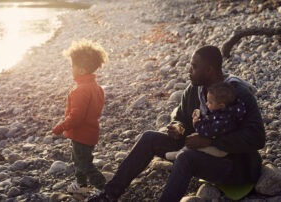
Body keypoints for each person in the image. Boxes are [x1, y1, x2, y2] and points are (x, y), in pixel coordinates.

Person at [87, 45, 265, 202]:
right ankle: (109, 194)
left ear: (209, 70)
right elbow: (180, 117)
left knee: (185, 158)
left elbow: (257, 137)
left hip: (234, 166)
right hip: (200, 152)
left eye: (194, 67)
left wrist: (210, 141)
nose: (189, 71)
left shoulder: (236, 93)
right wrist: (177, 127)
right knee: (149, 138)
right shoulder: (195, 89)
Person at [52, 39, 108, 194]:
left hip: (81, 135)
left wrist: (60, 127)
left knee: (84, 164)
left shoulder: (80, 91)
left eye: (72, 66)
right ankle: (81, 184)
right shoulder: (96, 88)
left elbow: (76, 117)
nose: (71, 69)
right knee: (78, 160)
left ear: (82, 70)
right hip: (90, 133)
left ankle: (104, 187)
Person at [165, 82, 247, 159]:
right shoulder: (221, 112)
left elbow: (207, 131)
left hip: (220, 150)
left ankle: (180, 155)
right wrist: (178, 126)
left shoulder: (224, 120)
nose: (207, 104)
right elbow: (181, 116)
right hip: (217, 145)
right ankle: (180, 153)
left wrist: (196, 123)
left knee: (195, 146)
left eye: (210, 102)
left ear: (221, 105)